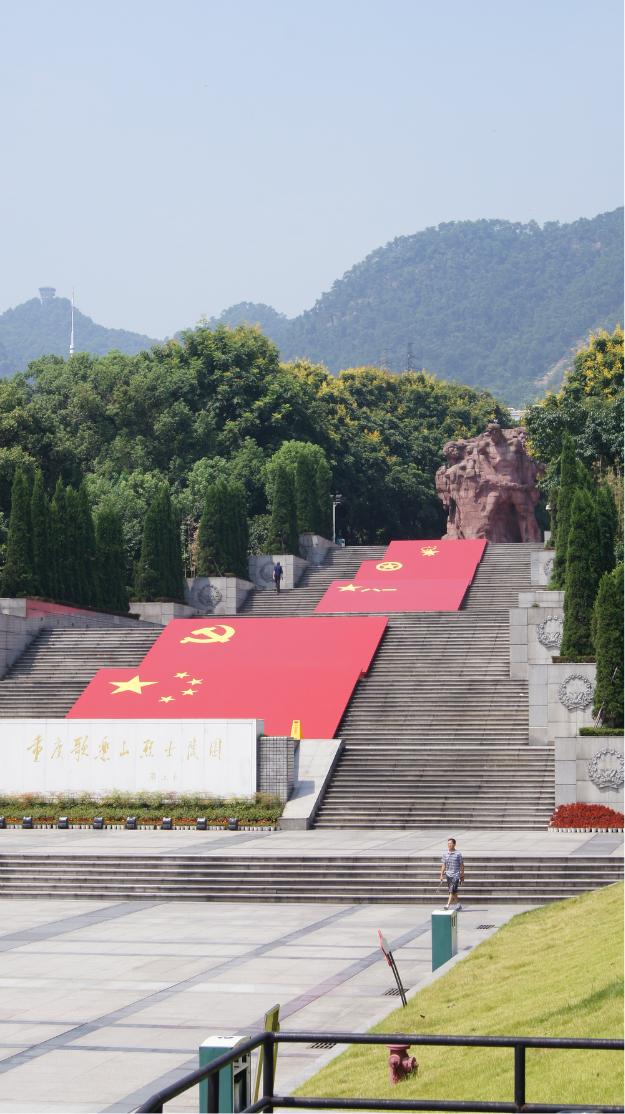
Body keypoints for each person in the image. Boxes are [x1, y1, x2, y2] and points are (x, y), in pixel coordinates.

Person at [440, 837, 464, 910]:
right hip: (448, 874)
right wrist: (441, 874)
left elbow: (462, 865)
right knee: (453, 891)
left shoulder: (458, 854)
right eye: (448, 844)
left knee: (451, 890)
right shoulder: (445, 854)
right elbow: (444, 865)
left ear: (454, 844)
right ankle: (458, 904)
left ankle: (448, 905)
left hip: (456, 874)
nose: (450, 845)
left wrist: (462, 874)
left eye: (451, 843)